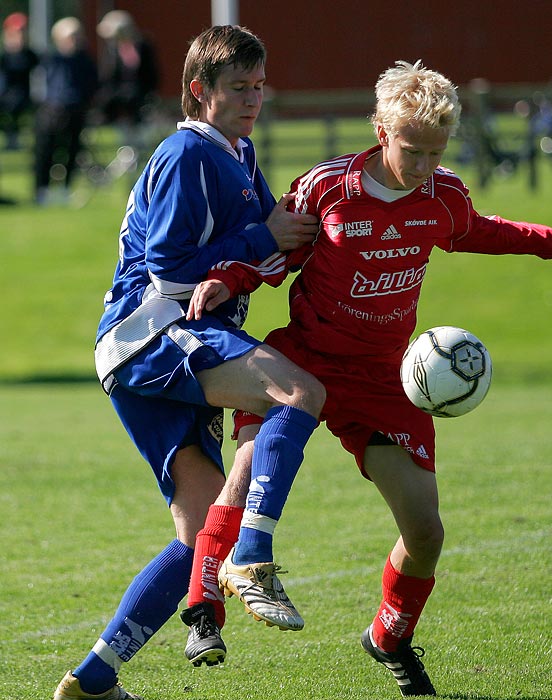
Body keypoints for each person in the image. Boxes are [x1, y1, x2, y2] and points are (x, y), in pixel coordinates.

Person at [180, 60, 552, 696]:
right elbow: (276, 251)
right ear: (380, 129)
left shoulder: (443, 196)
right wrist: (228, 280)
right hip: (305, 362)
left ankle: (390, 637)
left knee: (426, 532)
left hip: (387, 381)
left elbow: (481, 230)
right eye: (412, 150)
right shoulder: (327, 188)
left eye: (436, 152)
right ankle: (203, 611)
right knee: (245, 474)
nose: (425, 165)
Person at [53, 25, 325, 700]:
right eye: (238, 87)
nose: (253, 99)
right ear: (200, 91)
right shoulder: (186, 153)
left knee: (201, 533)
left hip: (150, 350)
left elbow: (271, 246)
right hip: (153, 334)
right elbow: (170, 267)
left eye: (260, 86)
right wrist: (265, 235)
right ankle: (255, 558)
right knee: (298, 392)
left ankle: (93, 680)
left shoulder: (239, 151)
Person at [33, 17, 97, 205]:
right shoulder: (51, 59)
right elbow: (41, 86)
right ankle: (42, 190)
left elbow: (92, 85)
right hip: (51, 112)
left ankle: (65, 189)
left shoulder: (85, 60)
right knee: (45, 151)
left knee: (72, 150)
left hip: (76, 111)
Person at [95, 10, 160, 143]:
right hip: (117, 93)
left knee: (134, 101)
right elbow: (107, 76)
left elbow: (151, 73)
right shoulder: (112, 50)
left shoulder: (142, 46)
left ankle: (134, 144)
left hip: (139, 92)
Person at [0, 11, 38, 150]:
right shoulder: (5, 56)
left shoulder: (29, 54)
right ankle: (10, 137)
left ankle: (14, 139)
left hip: (24, 94)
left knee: (14, 105)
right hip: (5, 94)